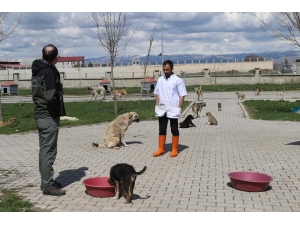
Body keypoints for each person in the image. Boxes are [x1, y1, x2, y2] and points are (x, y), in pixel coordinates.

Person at [31, 44, 67, 196]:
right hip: (48, 115)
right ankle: (47, 185)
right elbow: (51, 96)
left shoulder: (38, 69)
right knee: (49, 151)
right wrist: (56, 113)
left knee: (44, 150)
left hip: (40, 114)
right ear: (56, 57)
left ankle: (46, 180)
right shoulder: (49, 72)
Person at [153, 60, 187, 157]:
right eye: (164, 69)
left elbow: (182, 95)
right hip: (162, 108)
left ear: (172, 68)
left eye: (167, 69)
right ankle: (161, 149)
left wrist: (178, 108)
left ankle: (174, 149)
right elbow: (157, 93)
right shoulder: (160, 80)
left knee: (174, 129)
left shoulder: (178, 80)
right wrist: (157, 105)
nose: (165, 71)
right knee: (162, 129)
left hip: (173, 108)